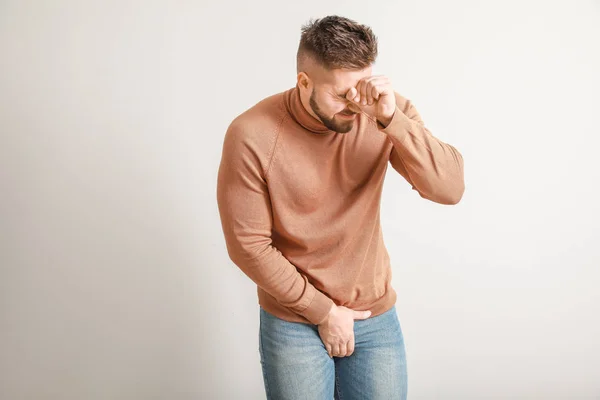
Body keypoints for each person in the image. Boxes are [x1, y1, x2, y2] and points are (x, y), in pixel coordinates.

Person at [216, 14, 465, 400]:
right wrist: (322, 312)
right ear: (304, 82)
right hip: (294, 319)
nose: (354, 104)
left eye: (359, 88)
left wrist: (390, 119)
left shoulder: (383, 112)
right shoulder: (251, 134)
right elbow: (248, 245)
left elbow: (449, 189)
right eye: (340, 94)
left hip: (373, 316)